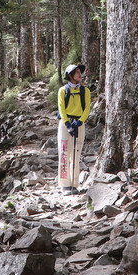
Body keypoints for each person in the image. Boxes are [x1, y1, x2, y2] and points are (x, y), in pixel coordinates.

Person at [57, 64, 91, 195]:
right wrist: (67, 124)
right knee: (64, 153)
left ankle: (74, 184)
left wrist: (80, 121)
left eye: (80, 72)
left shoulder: (85, 91)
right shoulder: (62, 91)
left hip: (79, 124)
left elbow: (87, 108)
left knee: (76, 154)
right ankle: (65, 185)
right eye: (76, 72)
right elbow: (61, 108)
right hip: (65, 124)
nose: (79, 74)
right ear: (70, 76)